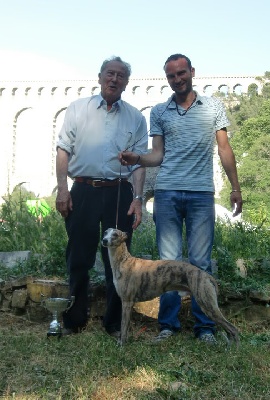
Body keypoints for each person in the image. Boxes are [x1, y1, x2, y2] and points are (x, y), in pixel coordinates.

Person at [119, 53, 243, 344]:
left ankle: (205, 329)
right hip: (167, 193)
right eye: (171, 76)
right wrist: (137, 157)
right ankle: (168, 326)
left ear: (192, 72)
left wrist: (236, 188)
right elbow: (158, 154)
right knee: (167, 263)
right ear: (167, 79)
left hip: (201, 194)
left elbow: (224, 149)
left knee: (200, 262)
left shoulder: (213, 106)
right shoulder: (159, 112)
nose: (177, 80)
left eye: (181, 73)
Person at [56, 56, 148, 336]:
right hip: (83, 190)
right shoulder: (77, 109)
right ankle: (74, 320)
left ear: (126, 83)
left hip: (119, 193)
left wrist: (138, 199)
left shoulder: (135, 116)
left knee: (118, 261)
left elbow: (139, 163)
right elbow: (63, 150)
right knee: (79, 256)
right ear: (99, 77)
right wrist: (62, 188)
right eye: (110, 73)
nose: (114, 79)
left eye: (120, 75)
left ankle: (113, 323)